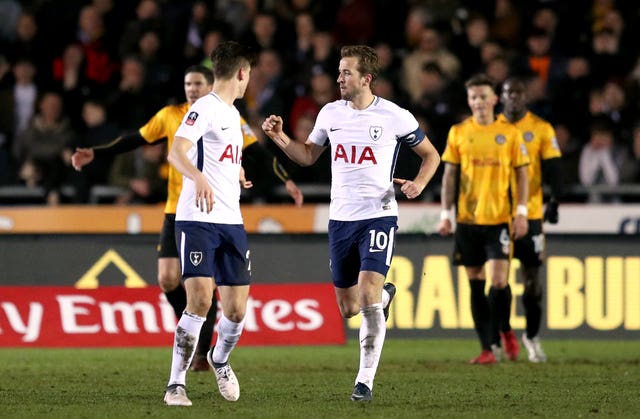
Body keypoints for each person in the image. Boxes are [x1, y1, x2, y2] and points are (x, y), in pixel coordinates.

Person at [71, 64, 303, 373]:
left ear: (210, 86)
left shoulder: (226, 115)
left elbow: (254, 152)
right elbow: (136, 139)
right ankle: (194, 325)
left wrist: (283, 178)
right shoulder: (170, 115)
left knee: (204, 289)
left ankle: (200, 344)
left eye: (197, 83)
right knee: (168, 278)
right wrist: (96, 153)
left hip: (214, 211)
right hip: (178, 210)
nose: (191, 89)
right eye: (187, 83)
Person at [262, 45, 441, 401]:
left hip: (379, 214)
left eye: (346, 73)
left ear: (366, 78)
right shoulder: (330, 114)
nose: (339, 78)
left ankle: (364, 382)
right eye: (340, 72)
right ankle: (385, 296)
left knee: (368, 294)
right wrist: (280, 138)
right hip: (340, 219)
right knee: (348, 308)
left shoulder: (394, 116)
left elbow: (431, 155)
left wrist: (419, 184)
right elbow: (309, 156)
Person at [163, 40, 255, 406]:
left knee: (235, 311)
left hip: (231, 220)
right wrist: (198, 177)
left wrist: (236, 171)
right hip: (197, 220)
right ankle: (175, 385)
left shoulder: (232, 114)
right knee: (200, 299)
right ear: (242, 73)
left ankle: (219, 359)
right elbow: (176, 152)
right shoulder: (205, 108)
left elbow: (219, 154)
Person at [438, 73, 530, 365]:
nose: (478, 102)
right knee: (475, 281)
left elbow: (522, 173)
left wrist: (522, 212)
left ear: (494, 99)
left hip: (499, 218)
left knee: (500, 282)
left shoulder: (510, 133)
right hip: (467, 220)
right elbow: (450, 176)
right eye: (473, 97)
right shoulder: (459, 132)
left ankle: (504, 329)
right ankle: (487, 348)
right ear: (469, 101)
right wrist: (446, 214)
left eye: (482, 97)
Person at [499, 77, 563, 362]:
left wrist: (555, 199)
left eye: (517, 92)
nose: (513, 97)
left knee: (533, 282)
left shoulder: (540, 128)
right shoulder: (491, 127)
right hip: (496, 214)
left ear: (525, 98)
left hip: (531, 213)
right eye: (508, 92)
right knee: (499, 282)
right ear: (500, 98)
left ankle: (532, 336)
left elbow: (554, 168)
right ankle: (502, 335)